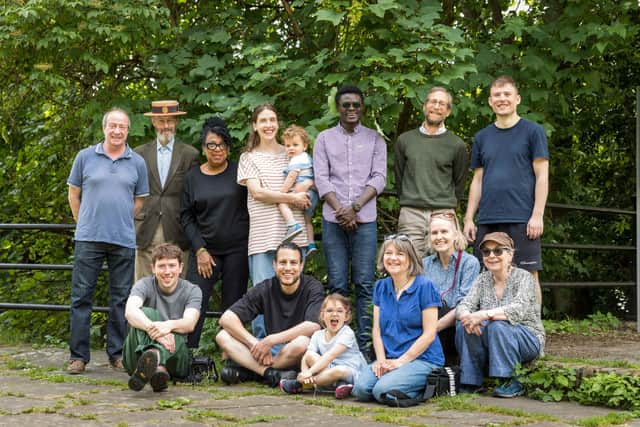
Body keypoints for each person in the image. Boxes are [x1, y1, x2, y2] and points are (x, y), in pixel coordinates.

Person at [67, 108, 149, 374]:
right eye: (112, 126)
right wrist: (85, 223)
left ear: (128, 130)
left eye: (122, 127)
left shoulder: (136, 162)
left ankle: (117, 354)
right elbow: (73, 194)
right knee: (81, 298)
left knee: (122, 299)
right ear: (104, 128)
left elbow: (139, 201)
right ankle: (78, 357)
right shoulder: (84, 157)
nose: (117, 131)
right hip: (88, 238)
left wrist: (121, 219)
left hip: (123, 239)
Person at [313, 85, 387, 355]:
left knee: (366, 284)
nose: (352, 109)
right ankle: (337, 346)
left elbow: (379, 177)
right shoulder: (323, 139)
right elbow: (321, 177)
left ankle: (366, 348)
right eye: (346, 105)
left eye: (356, 104)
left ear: (363, 107)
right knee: (337, 284)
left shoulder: (375, 140)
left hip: (365, 220)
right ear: (338, 107)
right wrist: (340, 209)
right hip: (333, 221)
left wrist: (354, 207)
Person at [463, 76, 549, 304]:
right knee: (486, 276)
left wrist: (537, 214)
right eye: (497, 96)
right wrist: (469, 218)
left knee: (529, 275)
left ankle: (533, 333)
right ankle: (493, 330)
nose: (502, 99)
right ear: (490, 101)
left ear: (517, 99)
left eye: (507, 95)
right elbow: (477, 180)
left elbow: (542, 175)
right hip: (488, 218)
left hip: (523, 218)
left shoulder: (533, 131)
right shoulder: (482, 137)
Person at [237, 103, 310, 337]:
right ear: (255, 126)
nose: (269, 125)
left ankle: (292, 352)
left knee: (294, 295)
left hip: (294, 233)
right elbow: (258, 193)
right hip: (263, 235)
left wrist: (304, 194)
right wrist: (292, 197)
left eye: (272, 120)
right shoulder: (248, 157)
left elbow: (308, 179)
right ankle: (263, 352)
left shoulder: (291, 152)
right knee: (261, 294)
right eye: (263, 121)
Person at [180, 116, 250, 348]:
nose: (217, 149)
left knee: (233, 306)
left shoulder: (240, 173)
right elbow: (186, 216)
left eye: (222, 144)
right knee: (194, 302)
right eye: (211, 144)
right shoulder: (192, 177)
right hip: (205, 252)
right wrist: (199, 249)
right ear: (203, 147)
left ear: (228, 148)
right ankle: (185, 355)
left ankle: (231, 357)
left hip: (236, 251)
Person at [215, 243, 324, 388]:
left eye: (293, 263)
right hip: (268, 351)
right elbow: (227, 318)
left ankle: (251, 371)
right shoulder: (265, 288)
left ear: (301, 265)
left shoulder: (313, 287)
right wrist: (254, 343)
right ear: (274, 264)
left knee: (302, 342)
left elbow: (313, 325)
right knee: (222, 336)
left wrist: (271, 340)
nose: (288, 268)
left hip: (293, 351)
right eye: (282, 262)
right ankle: (268, 373)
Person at [352, 235, 444, 404]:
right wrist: (380, 360)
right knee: (360, 390)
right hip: (389, 357)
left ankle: (422, 389)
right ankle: (396, 383)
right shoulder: (381, 286)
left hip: (422, 359)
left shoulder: (425, 286)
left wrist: (401, 362)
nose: (393, 258)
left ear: (410, 259)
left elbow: (430, 333)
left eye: (400, 254)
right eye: (388, 253)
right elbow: (377, 330)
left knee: (381, 390)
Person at [455, 232, 545, 398]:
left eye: (498, 251)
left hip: (527, 338)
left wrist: (484, 314)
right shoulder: (482, 279)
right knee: (464, 326)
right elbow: (464, 305)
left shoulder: (524, 277)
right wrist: (467, 317)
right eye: (486, 252)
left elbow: (517, 310)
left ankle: (513, 380)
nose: (491, 256)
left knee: (497, 325)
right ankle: (472, 380)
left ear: (510, 254)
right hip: (494, 338)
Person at [395, 87, 469, 258]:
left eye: (442, 103)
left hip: (443, 212)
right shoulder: (405, 140)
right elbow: (399, 176)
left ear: (448, 111)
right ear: (424, 106)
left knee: (446, 265)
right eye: (432, 102)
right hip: (411, 214)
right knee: (410, 264)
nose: (436, 106)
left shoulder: (456, 144)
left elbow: (459, 181)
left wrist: (446, 205)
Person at [134, 100, 199, 280]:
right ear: (154, 122)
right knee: (144, 287)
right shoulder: (139, 154)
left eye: (170, 121)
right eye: (161, 121)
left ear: (176, 122)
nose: (166, 126)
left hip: (177, 228)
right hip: (146, 228)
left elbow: (192, 195)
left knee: (176, 287)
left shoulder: (189, 154)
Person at [123, 243, 202, 392]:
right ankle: (157, 366)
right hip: (135, 355)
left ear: (180, 267)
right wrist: (158, 333)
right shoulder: (143, 285)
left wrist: (169, 326)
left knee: (176, 333)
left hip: (176, 356)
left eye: (172, 265)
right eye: (161, 266)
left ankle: (154, 364)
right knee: (145, 313)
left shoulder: (193, 290)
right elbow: (130, 311)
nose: (167, 271)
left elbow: (190, 323)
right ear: (153, 268)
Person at [279, 293, 367, 399]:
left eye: (339, 311)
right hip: (328, 370)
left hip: (350, 371)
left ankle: (301, 385)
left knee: (339, 370)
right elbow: (306, 357)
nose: (334, 314)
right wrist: (304, 373)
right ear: (322, 315)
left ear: (346, 316)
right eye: (329, 310)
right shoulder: (318, 335)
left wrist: (309, 373)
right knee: (310, 354)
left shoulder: (347, 333)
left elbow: (330, 355)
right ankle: (339, 385)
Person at [422, 210, 480, 364]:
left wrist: (432, 329)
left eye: (444, 232)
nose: (439, 237)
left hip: (453, 325)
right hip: (429, 321)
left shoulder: (469, 263)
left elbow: (465, 304)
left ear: (455, 235)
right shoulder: (424, 264)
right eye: (434, 233)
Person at [278, 125, 319, 256]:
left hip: (302, 193)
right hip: (312, 195)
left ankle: (292, 225)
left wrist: (282, 193)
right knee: (307, 220)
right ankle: (311, 244)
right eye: (288, 145)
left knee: (282, 203)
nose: (291, 148)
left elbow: (291, 176)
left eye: (295, 145)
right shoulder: (307, 158)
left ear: (305, 146)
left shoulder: (297, 159)